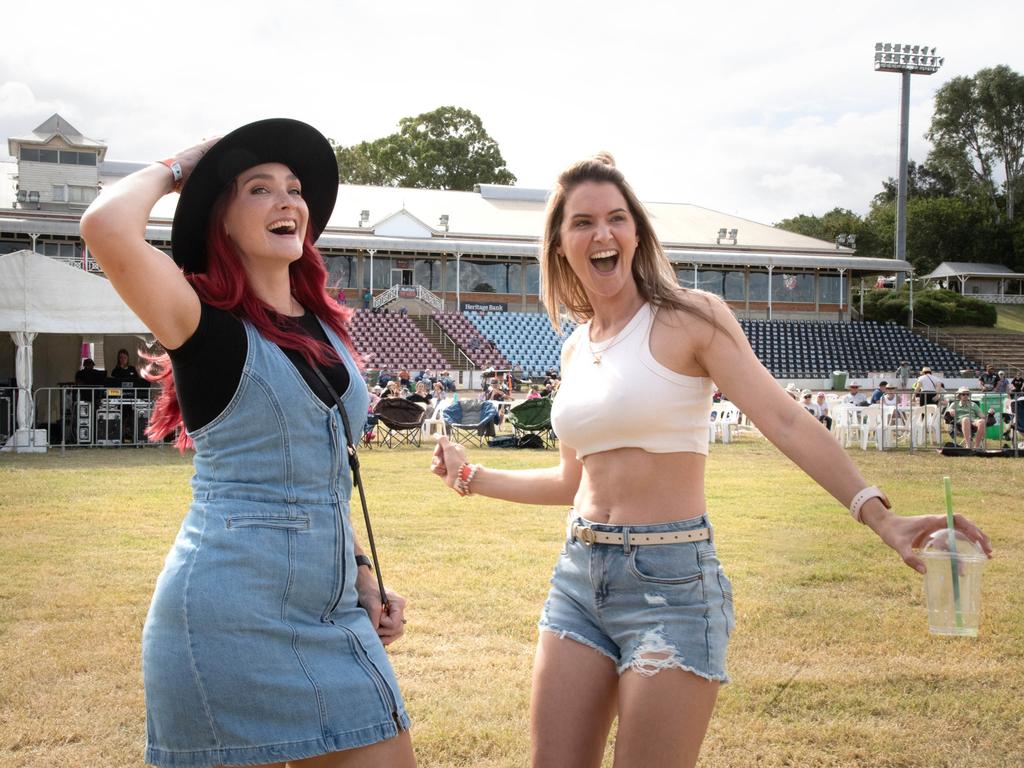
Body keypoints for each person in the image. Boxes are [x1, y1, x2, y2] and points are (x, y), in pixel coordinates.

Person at [428, 152, 990, 768]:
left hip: (672, 580)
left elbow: (783, 419)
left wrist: (879, 515)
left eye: (617, 218)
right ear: (561, 245)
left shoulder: (691, 317)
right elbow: (572, 482)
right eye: (583, 222)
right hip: (578, 577)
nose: (602, 233)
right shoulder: (573, 350)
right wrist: (471, 477)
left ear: (636, 232)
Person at [81, 118, 413, 768]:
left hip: (336, 619)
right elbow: (103, 228)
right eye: (259, 189)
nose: (287, 199)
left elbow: (323, 479)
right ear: (221, 223)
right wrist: (183, 167)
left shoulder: (327, 328)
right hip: (225, 622)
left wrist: (365, 576)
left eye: (294, 188)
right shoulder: (200, 326)